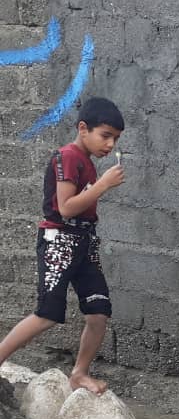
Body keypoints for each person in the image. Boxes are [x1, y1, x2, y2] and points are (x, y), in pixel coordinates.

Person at [0, 97, 125, 395]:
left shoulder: (88, 163)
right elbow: (66, 208)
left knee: (98, 311)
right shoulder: (67, 157)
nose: (110, 145)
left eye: (115, 138)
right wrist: (103, 185)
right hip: (60, 241)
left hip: (84, 243)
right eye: (105, 135)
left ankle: (79, 373)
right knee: (47, 313)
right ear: (83, 128)